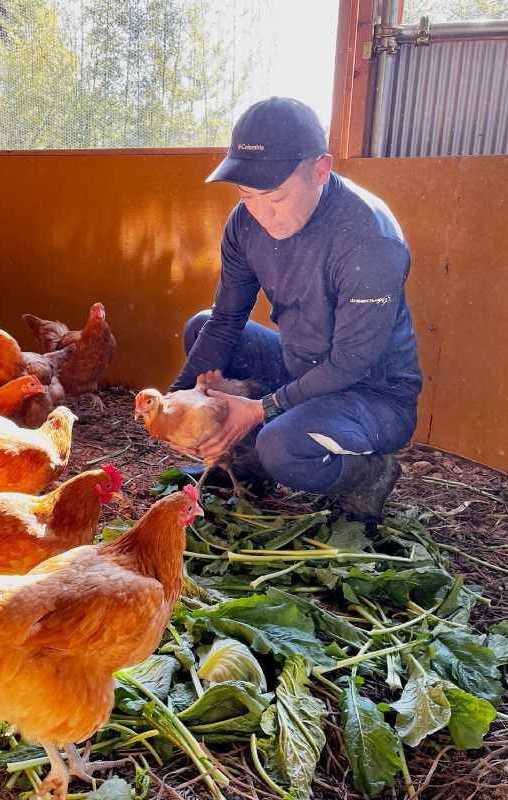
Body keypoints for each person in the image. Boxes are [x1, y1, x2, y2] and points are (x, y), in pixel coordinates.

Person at [168, 97, 423, 525]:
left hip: (372, 392)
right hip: (300, 366)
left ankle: (369, 475)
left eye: (277, 197)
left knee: (281, 446)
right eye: (247, 194)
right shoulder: (245, 222)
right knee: (202, 328)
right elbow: (227, 318)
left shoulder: (369, 239)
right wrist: (174, 399)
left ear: (320, 171)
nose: (262, 213)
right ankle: (248, 466)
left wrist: (258, 410)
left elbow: (350, 363)